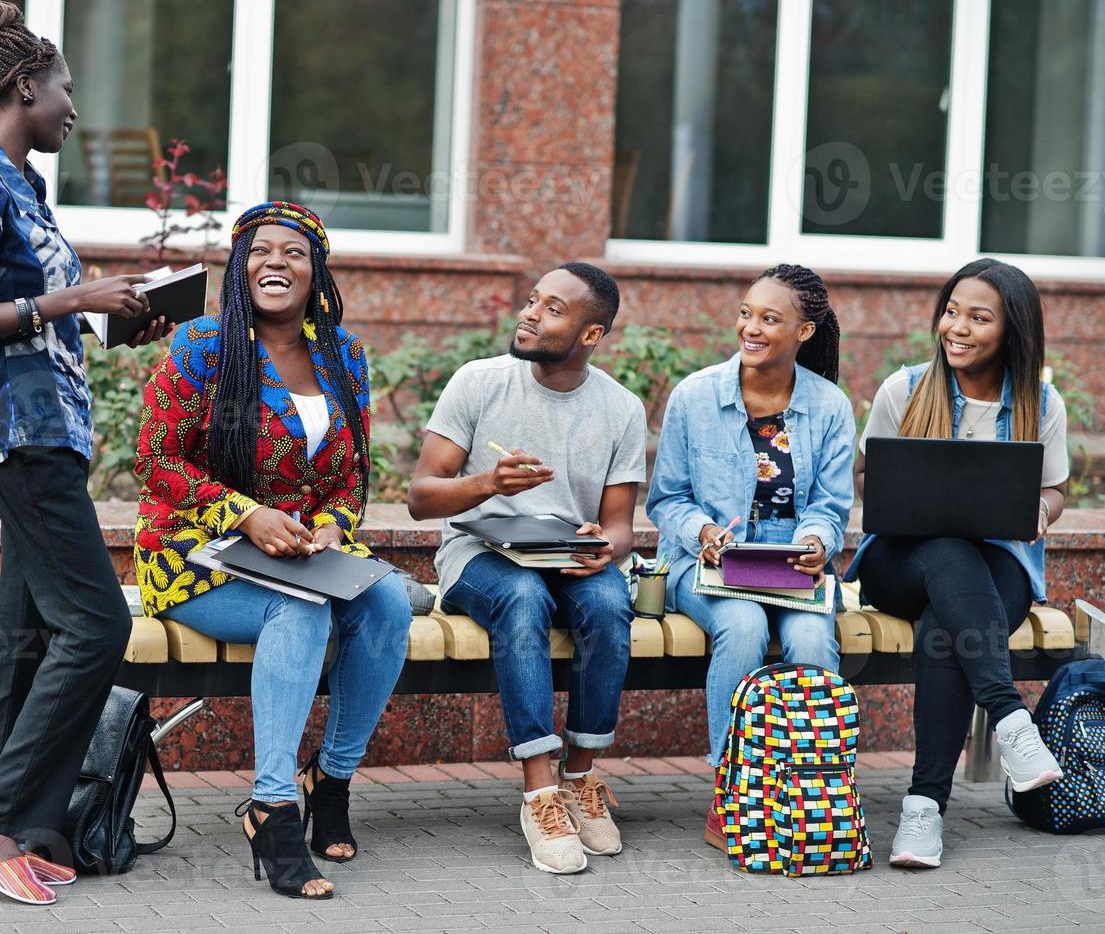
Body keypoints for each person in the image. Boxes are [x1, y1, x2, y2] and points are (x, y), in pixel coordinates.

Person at [0, 0, 171, 906]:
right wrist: (72, 303)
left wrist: (116, 318)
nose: (72, 105)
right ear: (25, 86)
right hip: (18, 433)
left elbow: (34, 314)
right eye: (64, 87)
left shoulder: (23, 186)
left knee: (24, 637)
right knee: (98, 625)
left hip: (47, 425)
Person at [133, 201, 412, 900]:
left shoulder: (343, 355)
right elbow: (155, 458)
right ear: (239, 268)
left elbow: (352, 474)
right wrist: (244, 513)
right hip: (194, 553)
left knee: (385, 605)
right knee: (303, 613)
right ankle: (272, 804)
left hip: (296, 552)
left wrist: (331, 527)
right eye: (260, 252)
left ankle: (332, 780)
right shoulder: (204, 344)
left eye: (292, 252)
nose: (275, 263)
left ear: (315, 270)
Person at [406, 263, 644, 875]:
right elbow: (421, 497)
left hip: (565, 557)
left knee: (611, 605)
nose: (531, 313)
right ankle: (540, 793)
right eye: (533, 300)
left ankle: (581, 775)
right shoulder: (480, 382)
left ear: (591, 335)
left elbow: (619, 525)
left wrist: (605, 546)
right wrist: (488, 483)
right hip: (477, 555)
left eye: (553, 309)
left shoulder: (620, 408)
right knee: (521, 597)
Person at [846, 258, 1067, 869]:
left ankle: (923, 810)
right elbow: (867, 475)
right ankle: (1011, 719)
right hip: (899, 563)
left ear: (1013, 331)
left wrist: (1040, 510)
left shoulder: (1040, 402)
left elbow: (1054, 488)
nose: (957, 327)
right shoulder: (905, 388)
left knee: (945, 629)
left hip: (996, 568)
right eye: (951, 311)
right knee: (944, 547)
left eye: (978, 316)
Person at [645, 264, 852, 851]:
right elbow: (667, 501)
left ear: (805, 332)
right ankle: (734, 792)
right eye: (746, 313)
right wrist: (705, 530)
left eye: (769, 318)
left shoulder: (830, 407)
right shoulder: (696, 395)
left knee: (812, 642)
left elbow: (831, 505)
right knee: (742, 627)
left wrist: (816, 543)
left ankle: (817, 789)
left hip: (791, 563)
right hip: (706, 559)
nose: (751, 328)